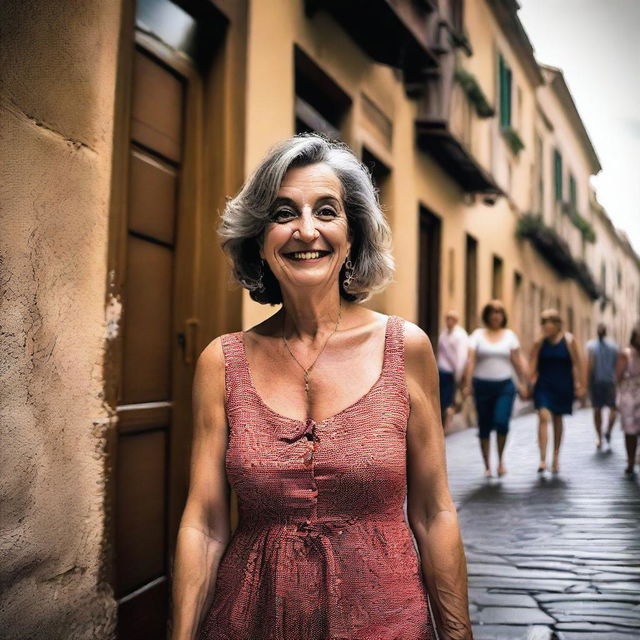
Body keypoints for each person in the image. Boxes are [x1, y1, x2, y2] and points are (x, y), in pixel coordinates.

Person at [170, 135, 472, 640]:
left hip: (387, 624)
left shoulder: (406, 348)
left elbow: (433, 510)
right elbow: (203, 522)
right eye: (283, 212)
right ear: (260, 240)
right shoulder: (221, 363)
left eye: (326, 211)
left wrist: (458, 635)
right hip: (251, 622)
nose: (305, 230)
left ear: (352, 236)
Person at [462, 300, 528, 478]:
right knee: (484, 426)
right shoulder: (477, 335)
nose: (496, 315)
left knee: (501, 422)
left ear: (503, 316)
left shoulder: (510, 336)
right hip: (481, 385)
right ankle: (487, 466)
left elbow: (517, 361)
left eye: (499, 312)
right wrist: (467, 384)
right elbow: (471, 360)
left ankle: (500, 461)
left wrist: (523, 383)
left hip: (505, 385)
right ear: (487, 315)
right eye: (492, 311)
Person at [528, 309, 584, 475]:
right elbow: (532, 363)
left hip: (563, 385)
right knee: (543, 415)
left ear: (557, 324)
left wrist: (581, 385)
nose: (546, 325)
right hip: (544, 385)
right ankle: (543, 459)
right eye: (543, 322)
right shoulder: (540, 342)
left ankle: (556, 456)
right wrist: (529, 382)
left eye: (549, 322)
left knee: (558, 419)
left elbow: (579, 363)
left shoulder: (569, 340)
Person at [586, 323, 619, 448]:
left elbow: (589, 366)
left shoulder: (591, 346)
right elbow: (617, 366)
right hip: (610, 382)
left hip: (597, 382)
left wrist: (586, 384)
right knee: (612, 409)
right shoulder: (614, 347)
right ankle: (607, 432)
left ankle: (600, 437)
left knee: (598, 409)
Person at [615, 322, 640, 478]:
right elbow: (617, 376)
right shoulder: (626, 354)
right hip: (629, 396)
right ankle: (630, 460)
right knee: (630, 430)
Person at [437, 310, 469, 431]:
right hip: (443, 372)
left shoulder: (460, 335)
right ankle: (443, 425)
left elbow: (462, 357)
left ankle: (445, 426)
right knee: (442, 401)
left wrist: (459, 376)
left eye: (451, 319)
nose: (449, 321)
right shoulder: (444, 334)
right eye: (447, 318)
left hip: (453, 373)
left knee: (449, 401)